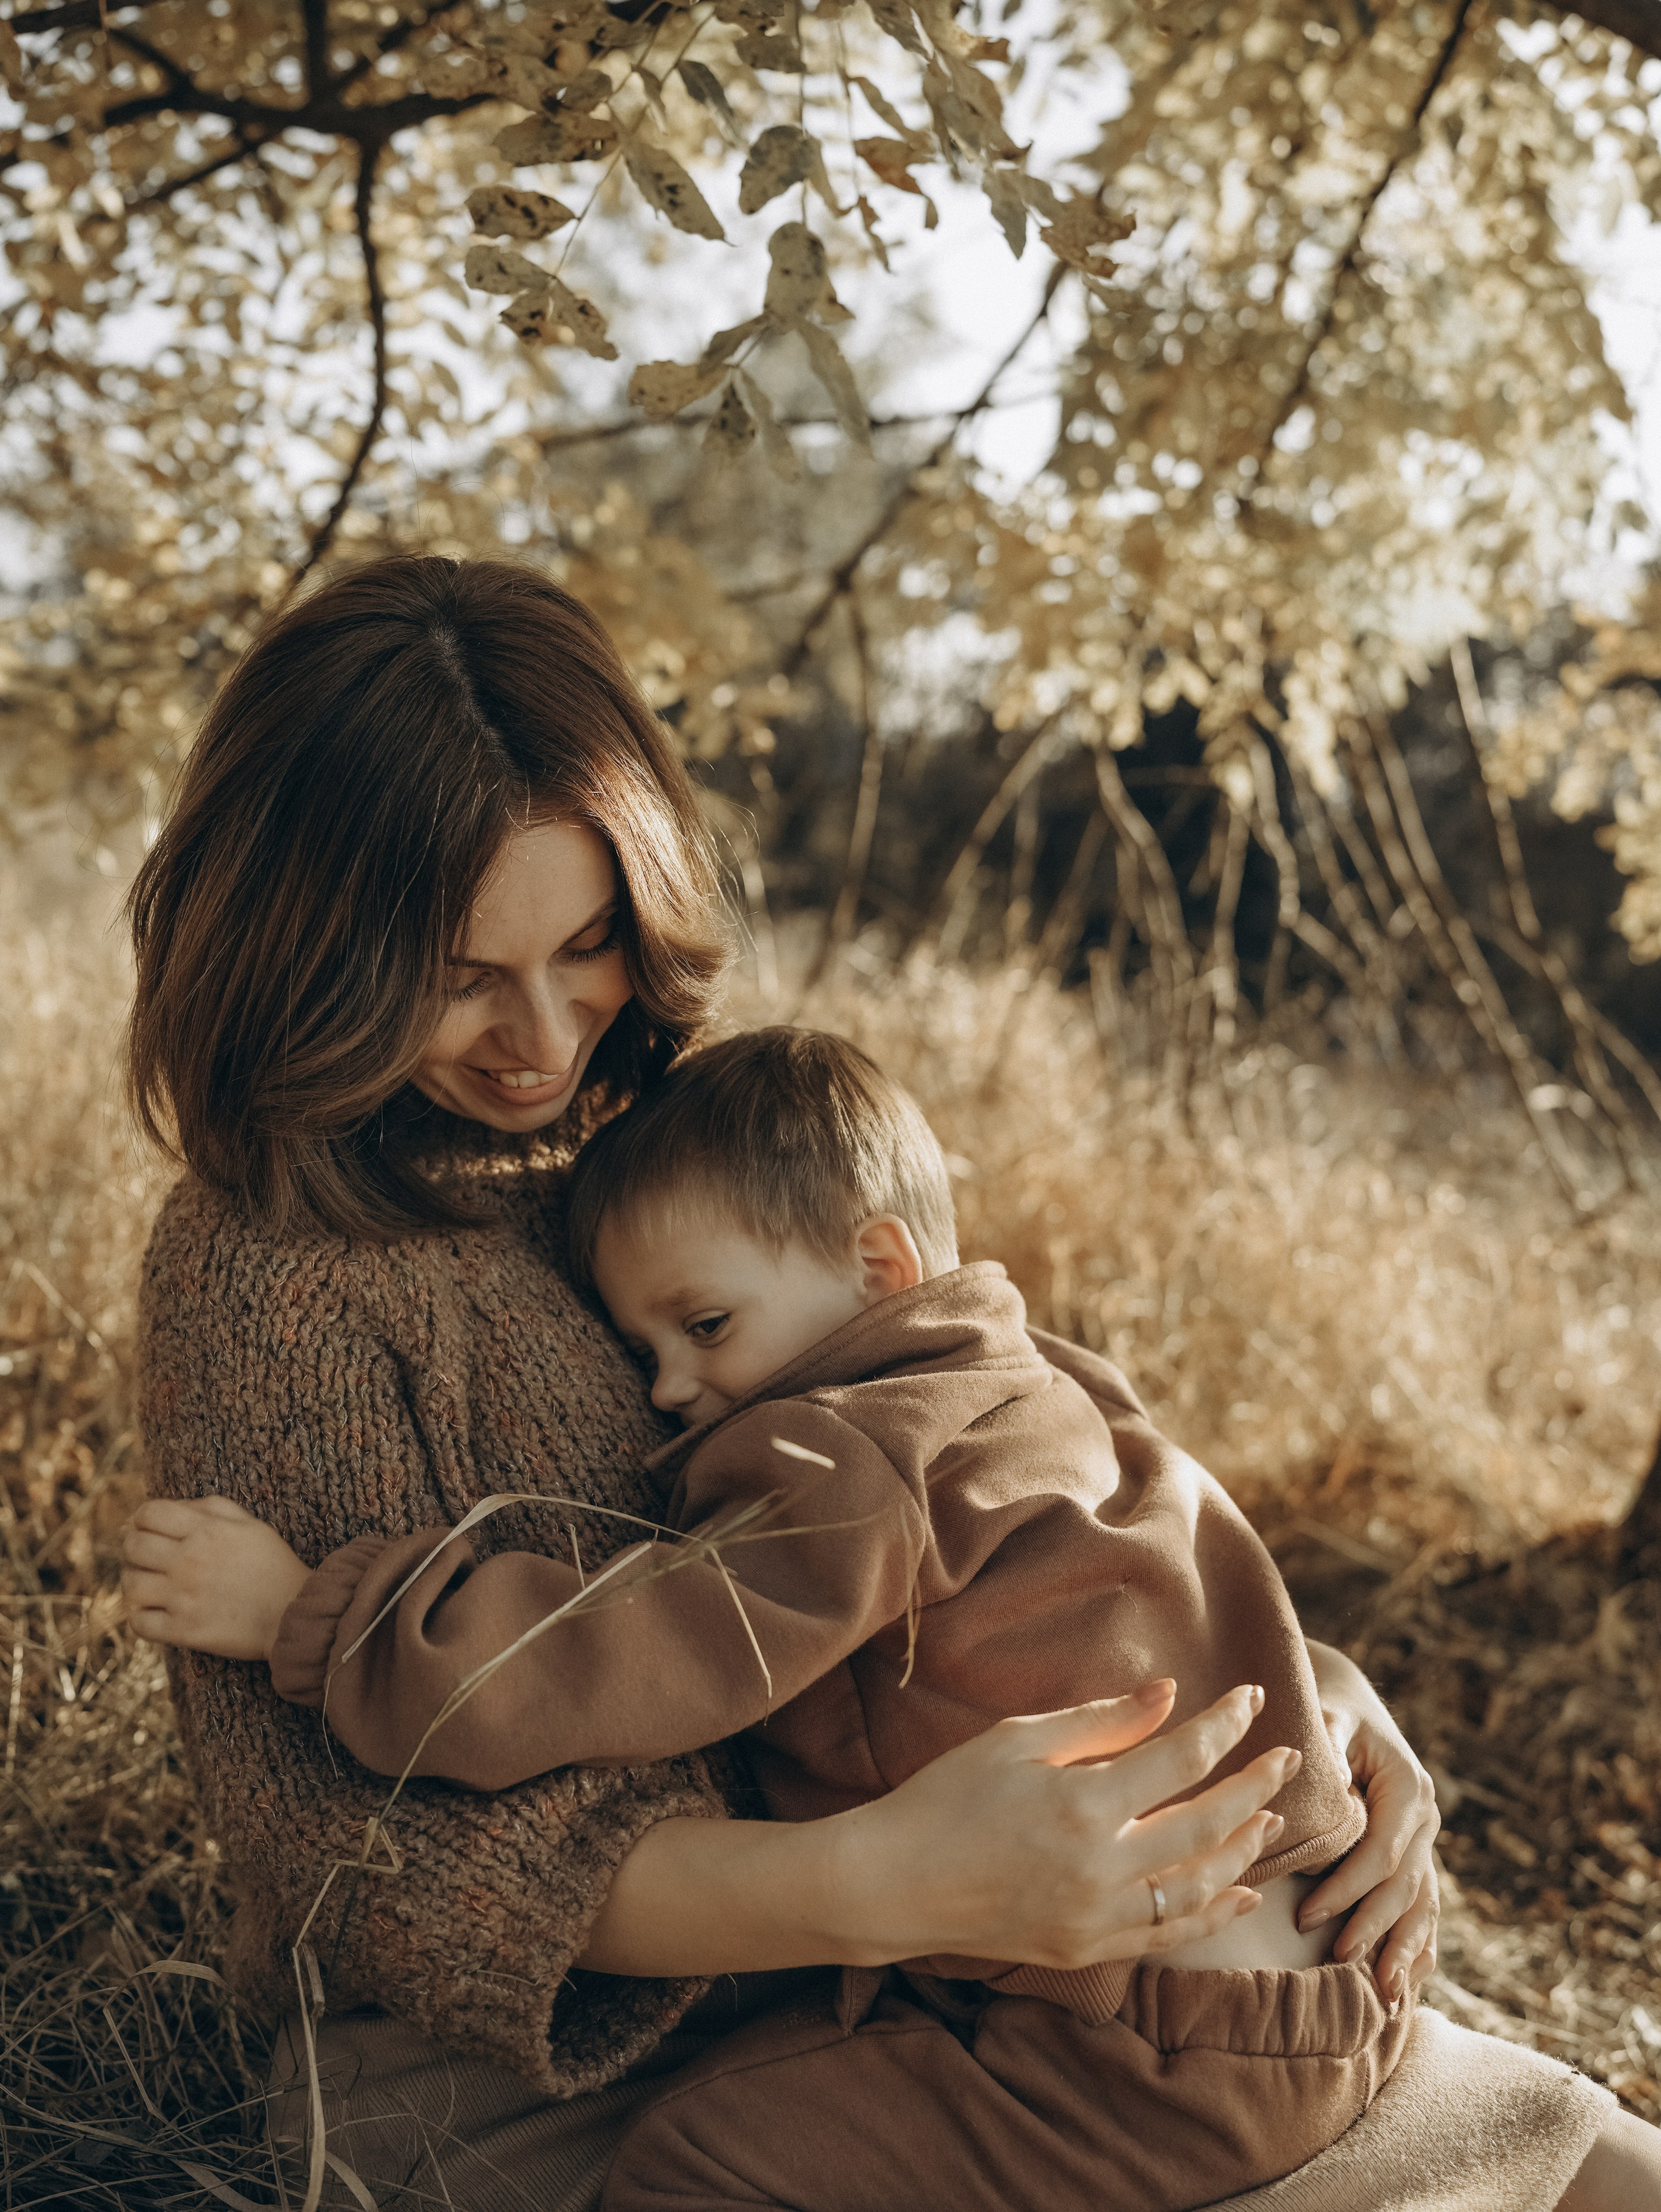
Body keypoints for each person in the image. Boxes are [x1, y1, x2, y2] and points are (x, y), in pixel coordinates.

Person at [119, 554, 1639, 2211]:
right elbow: (374, 1873)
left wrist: (1307, 1710)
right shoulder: (265, 1273)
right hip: (585, 2039)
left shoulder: (664, 1157)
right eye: (462, 973)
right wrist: (879, 1884)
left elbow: (1029, 1491)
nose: (542, 1039)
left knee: (1579, 2156)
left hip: (971, 1935)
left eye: (588, 944)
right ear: (309, 940)